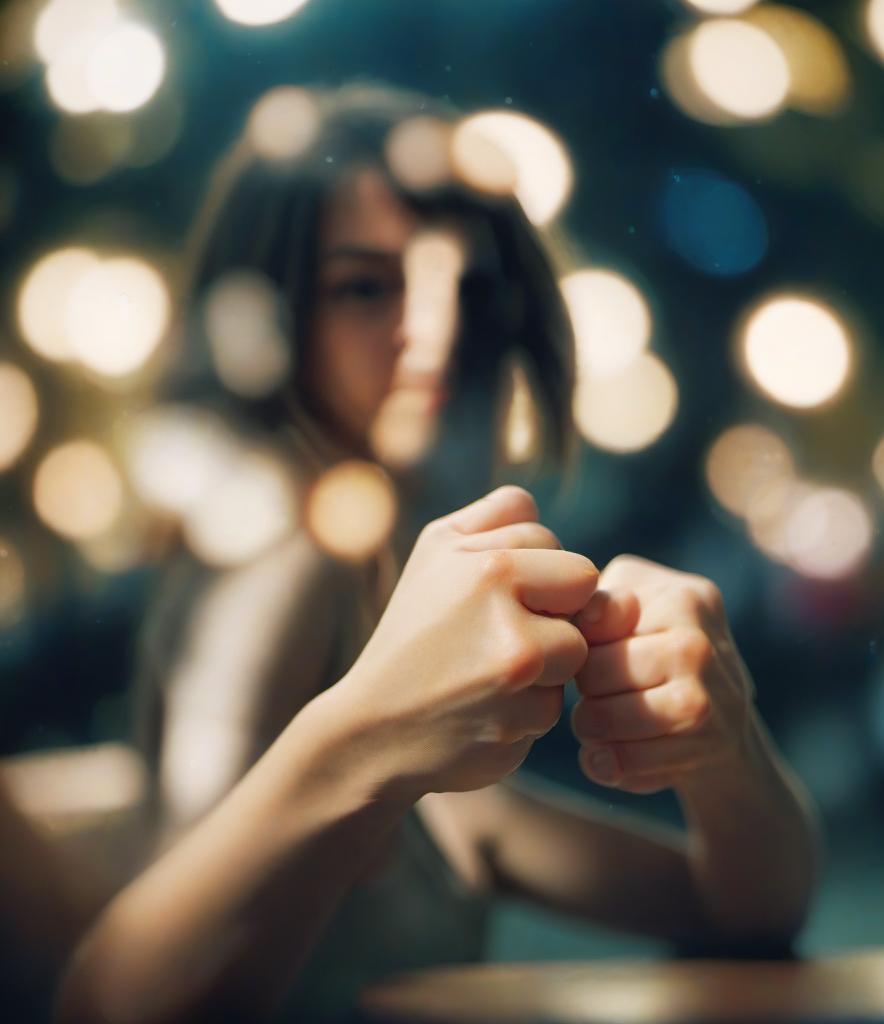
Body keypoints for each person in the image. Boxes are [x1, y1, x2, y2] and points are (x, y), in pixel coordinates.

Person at [57, 83, 823, 1022]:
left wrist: (724, 739)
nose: (436, 330)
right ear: (263, 321)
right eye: (365, 286)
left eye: (467, 288)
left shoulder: (396, 683)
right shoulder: (290, 566)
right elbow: (113, 1000)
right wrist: (368, 740)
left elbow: (748, 911)